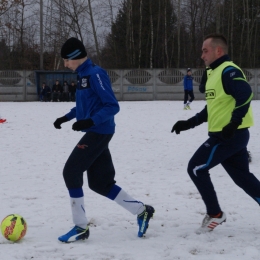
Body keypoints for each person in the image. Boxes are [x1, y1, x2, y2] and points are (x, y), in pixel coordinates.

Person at [53, 37, 155, 243]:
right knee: (101, 183)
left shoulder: (95, 74)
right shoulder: (82, 76)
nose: (64, 64)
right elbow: (84, 106)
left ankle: (81, 227)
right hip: (95, 130)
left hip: (100, 131)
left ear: (75, 57)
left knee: (71, 171)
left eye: (66, 60)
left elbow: (112, 106)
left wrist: (90, 121)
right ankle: (142, 210)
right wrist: (66, 117)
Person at [171, 33, 260, 234]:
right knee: (243, 178)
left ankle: (215, 214)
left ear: (218, 51)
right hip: (229, 135)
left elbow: (246, 94)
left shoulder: (228, 71)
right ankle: (215, 213)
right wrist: (189, 123)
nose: (202, 55)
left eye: (205, 50)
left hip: (229, 135)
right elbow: (213, 108)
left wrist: (234, 122)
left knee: (196, 168)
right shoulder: (215, 73)